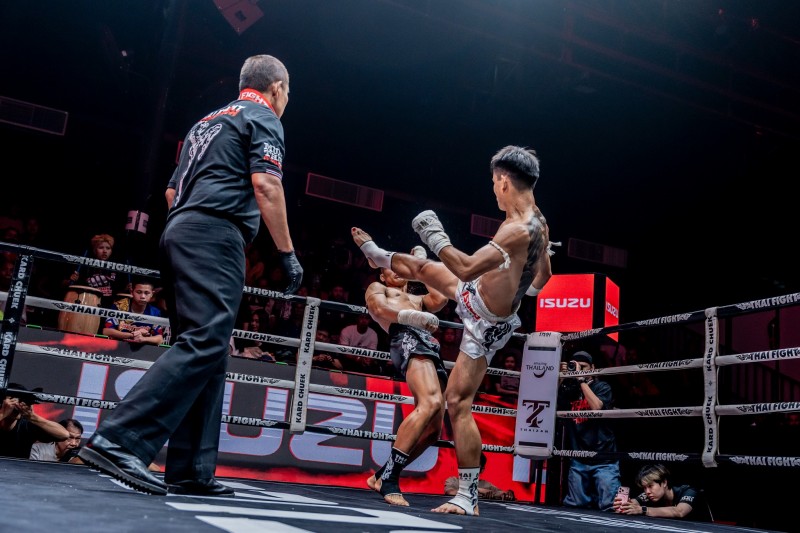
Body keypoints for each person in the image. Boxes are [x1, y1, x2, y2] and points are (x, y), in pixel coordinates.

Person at [78, 54, 303, 497]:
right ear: (277, 87)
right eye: (288, 92)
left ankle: (191, 469)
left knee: (209, 348)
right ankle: (118, 440)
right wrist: (287, 253)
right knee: (206, 340)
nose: (287, 100)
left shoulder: (206, 123)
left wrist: (189, 226)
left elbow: (170, 191)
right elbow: (266, 185)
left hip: (180, 228)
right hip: (214, 232)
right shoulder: (262, 117)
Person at [353, 145, 553, 515]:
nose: (493, 190)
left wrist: (435, 236)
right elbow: (545, 276)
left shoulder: (515, 230)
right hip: (482, 298)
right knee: (425, 270)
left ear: (504, 181)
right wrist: (516, 289)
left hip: (484, 320)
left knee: (458, 403)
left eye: (493, 182)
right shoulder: (538, 221)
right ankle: (379, 256)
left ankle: (467, 496)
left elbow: (465, 267)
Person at [363, 248, 449, 506]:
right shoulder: (379, 288)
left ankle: (382, 475)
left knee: (433, 431)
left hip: (429, 345)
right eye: (392, 266)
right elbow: (378, 308)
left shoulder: (418, 299)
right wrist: (412, 316)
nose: (397, 270)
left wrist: (420, 266)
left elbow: (441, 297)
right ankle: (389, 479)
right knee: (430, 402)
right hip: (405, 338)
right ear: (382, 273)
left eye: (401, 265)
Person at [557, 350, 622, 511]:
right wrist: (561, 377)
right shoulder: (569, 389)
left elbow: (596, 407)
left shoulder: (602, 387)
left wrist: (580, 379)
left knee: (610, 506)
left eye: (583, 367)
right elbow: (551, 402)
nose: (579, 370)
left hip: (604, 457)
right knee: (575, 506)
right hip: (579, 457)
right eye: (576, 366)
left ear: (592, 368)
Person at [614, 464, 712, 521]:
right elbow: (635, 502)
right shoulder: (650, 494)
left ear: (664, 482)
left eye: (650, 486)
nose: (647, 492)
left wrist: (643, 510)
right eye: (644, 488)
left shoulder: (689, 491)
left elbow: (679, 512)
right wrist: (624, 505)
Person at [0, 384, 70, 458]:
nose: (17, 405)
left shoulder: (26, 426)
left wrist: (32, 416)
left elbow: (64, 435)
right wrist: (2, 413)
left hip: (16, 465)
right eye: (12, 400)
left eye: (20, 401)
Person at [62, 233, 120, 309]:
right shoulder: (84, 265)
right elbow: (63, 284)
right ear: (95, 250)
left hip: (107, 307)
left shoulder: (116, 267)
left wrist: (127, 288)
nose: (105, 251)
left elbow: (119, 290)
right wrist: (71, 280)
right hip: (86, 304)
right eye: (101, 248)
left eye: (108, 248)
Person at [101, 280, 165, 346]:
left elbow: (160, 339)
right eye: (139, 292)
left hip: (141, 349)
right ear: (132, 292)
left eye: (146, 293)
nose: (142, 296)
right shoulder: (119, 306)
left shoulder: (155, 312)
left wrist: (143, 339)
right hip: (117, 346)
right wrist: (132, 335)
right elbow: (106, 331)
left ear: (152, 294)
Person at [444, 452, 516, 502]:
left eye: (475, 465)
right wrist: (477, 489)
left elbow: (502, 493)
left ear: (482, 470)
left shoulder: (487, 486)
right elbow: (450, 492)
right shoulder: (453, 481)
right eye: (468, 463)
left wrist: (509, 494)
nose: (470, 467)